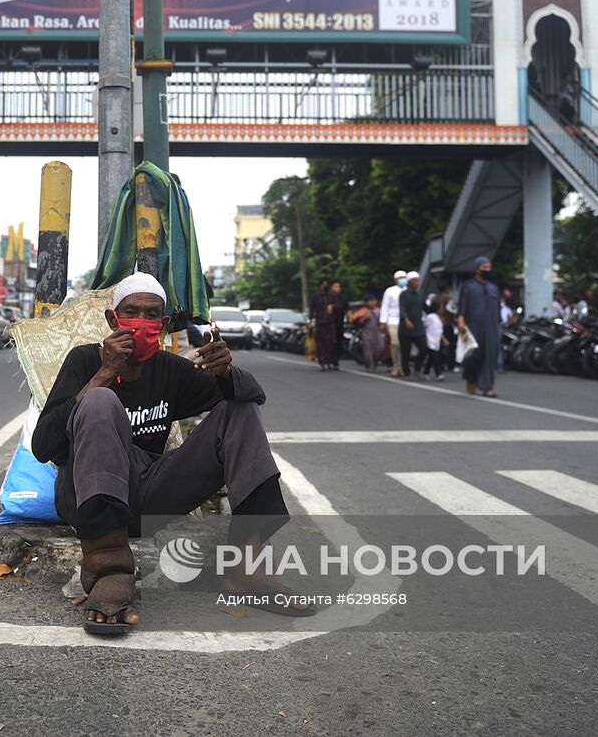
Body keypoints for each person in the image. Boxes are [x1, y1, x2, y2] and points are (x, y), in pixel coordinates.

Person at [33, 272, 308, 635]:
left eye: (152, 315)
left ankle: (246, 570)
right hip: (87, 494)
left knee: (238, 406)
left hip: (148, 492)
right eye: (132, 312)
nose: (142, 323)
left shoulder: (170, 370)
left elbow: (252, 395)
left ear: (162, 326)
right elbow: (44, 447)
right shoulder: (84, 361)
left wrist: (226, 372)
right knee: (100, 401)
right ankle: (108, 569)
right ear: (113, 320)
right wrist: (104, 373)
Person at [457, 257, 501, 397]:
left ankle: (487, 386)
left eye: (489, 267)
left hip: (491, 328)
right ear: (477, 270)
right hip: (473, 327)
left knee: (489, 356)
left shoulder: (493, 288)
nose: (487, 270)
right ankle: (471, 379)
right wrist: (461, 321)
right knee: (473, 356)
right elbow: (462, 306)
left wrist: (498, 326)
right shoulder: (468, 286)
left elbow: (498, 309)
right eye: (484, 268)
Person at [399, 270, 427, 380]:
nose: (417, 283)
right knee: (405, 351)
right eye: (414, 281)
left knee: (424, 348)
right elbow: (402, 309)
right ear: (409, 282)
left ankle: (417, 369)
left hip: (418, 327)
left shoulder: (420, 295)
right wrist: (405, 319)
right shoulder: (403, 295)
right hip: (405, 328)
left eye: (418, 281)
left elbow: (426, 307)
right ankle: (406, 373)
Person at [380, 271, 407, 377]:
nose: (402, 280)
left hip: (405, 321)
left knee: (405, 345)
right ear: (395, 280)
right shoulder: (390, 291)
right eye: (400, 278)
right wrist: (383, 321)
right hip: (392, 320)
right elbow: (385, 306)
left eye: (404, 277)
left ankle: (403, 367)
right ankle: (396, 366)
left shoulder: (408, 290)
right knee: (395, 343)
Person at [311, 280, 341, 371]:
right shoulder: (316, 297)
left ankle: (329, 362)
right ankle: (322, 363)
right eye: (324, 284)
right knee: (321, 343)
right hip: (320, 322)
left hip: (329, 322)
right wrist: (311, 320)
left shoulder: (332, 297)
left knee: (330, 343)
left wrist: (332, 307)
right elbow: (312, 309)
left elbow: (339, 305)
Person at [352, 292, 385, 373]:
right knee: (368, 350)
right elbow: (356, 322)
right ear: (366, 302)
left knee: (380, 348)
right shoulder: (363, 311)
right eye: (371, 301)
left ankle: (375, 361)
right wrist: (364, 319)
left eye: (374, 300)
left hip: (377, 332)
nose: (373, 302)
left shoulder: (379, 311)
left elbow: (383, 321)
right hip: (367, 332)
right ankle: (370, 365)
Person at [422, 298, 446, 381]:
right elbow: (425, 326)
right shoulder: (430, 317)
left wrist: (444, 339)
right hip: (430, 340)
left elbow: (439, 330)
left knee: (431, 358)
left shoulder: (439, 318)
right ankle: (438, 374)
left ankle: (426, 372)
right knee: (435, 357)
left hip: (437, 340)